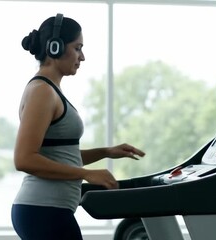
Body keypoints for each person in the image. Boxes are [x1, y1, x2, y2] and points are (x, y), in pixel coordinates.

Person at [11, 13, 145, 240]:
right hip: (43, 211)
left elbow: (59, 157)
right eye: (77, 48)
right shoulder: (42, 92)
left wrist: (106, 152)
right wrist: (86, 174)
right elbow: (24, 159)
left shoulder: (50, 90)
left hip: (49, 211)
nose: (82, 57)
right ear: (55, 48)